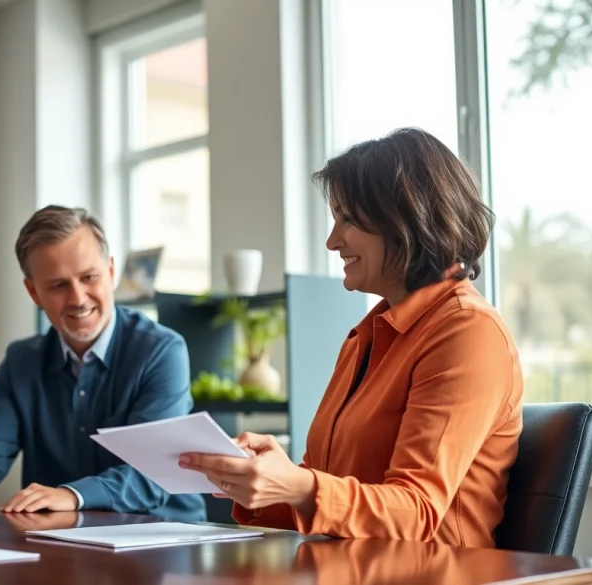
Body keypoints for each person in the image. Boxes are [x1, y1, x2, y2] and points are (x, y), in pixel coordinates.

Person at [178, 128, 524, 547]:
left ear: (406, 218)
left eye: (348, 219)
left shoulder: (468, 333)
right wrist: (264, 478)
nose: (331, 241)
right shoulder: (367, 336)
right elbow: (329, 499)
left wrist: (299, 485)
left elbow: (417, 511)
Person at [0, 205, 205, 522]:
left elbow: (154, 470)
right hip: (65, 540)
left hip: (164, 540)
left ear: (110, 272)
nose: (78, 298)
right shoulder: (21, 361)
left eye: (89, 277)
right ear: (33, 292)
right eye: (58, 285)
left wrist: (73, 495)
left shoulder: (161, 351)